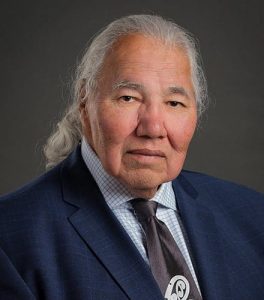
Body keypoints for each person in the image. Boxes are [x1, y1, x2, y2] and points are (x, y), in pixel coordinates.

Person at [0, 14, 263, 300]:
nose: (152, 128)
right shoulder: (11, 240)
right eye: (128, 98)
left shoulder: (253, 215)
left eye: (174, 103)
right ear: (85, 104)